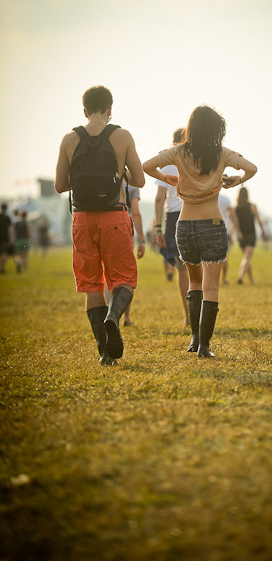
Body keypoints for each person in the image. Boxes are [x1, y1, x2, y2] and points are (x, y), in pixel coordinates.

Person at [143, 105, 257, 358]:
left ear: (190, 128)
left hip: (184, 226)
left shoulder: (178, 151)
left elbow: (146, 166)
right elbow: (252, 168)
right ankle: (204, 346)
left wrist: (168, 178)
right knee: (211, 287)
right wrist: (237, 181)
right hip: (212, 226)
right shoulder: (222, 153)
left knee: (193, 282)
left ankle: (194, 338)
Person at [55, 85, 145, 365]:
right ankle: (113, 317)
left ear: (84, 110)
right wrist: (120, 174)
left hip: (82, 219)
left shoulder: (69, 139)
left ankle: (105, 354)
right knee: (124, 280)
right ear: (110, 110)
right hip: (114, 217)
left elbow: (59, 185)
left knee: (92, 285)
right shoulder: (122, 136)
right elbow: (140, 180)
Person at [154, 128, 189, 326]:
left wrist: (158, 226)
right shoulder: (195, 160)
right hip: (194, 213)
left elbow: (160, 198)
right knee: (198, 269)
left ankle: (187, 316)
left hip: (174, 219)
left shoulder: (166, 164)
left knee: (182, 270)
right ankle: (199, 313)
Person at [104, 181, 146, 327]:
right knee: (124, 275)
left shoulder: (100, 176)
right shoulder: (132, 182)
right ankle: (124, 317)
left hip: (97, 222)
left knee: (106, 274)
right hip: (121, 226)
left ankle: (108, 314)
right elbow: (135, 212)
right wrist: (141, 239)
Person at [234, 187, 265, 285]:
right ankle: (240, 277)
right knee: (247, 258)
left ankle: (251, 280)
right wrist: (263, 231)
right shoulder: (252, 206)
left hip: (241, 235)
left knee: (246, 258)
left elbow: (235, 223)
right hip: (251, 234)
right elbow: (258, 219)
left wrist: (237, 232)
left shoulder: (236, 208)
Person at [218, 188, 236, 285]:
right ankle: (223, 279)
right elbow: (232, 214)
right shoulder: (225, 199)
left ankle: (212, 279)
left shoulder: (209, 197)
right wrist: (236, 229)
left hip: (211, 228)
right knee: (224, 256)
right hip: (225, 228)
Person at [0, 203, 13, 274]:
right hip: (5, 238)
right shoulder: (7, 218)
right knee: (4, 253)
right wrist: (10, 238)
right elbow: (10, 229)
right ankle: (3, 267)